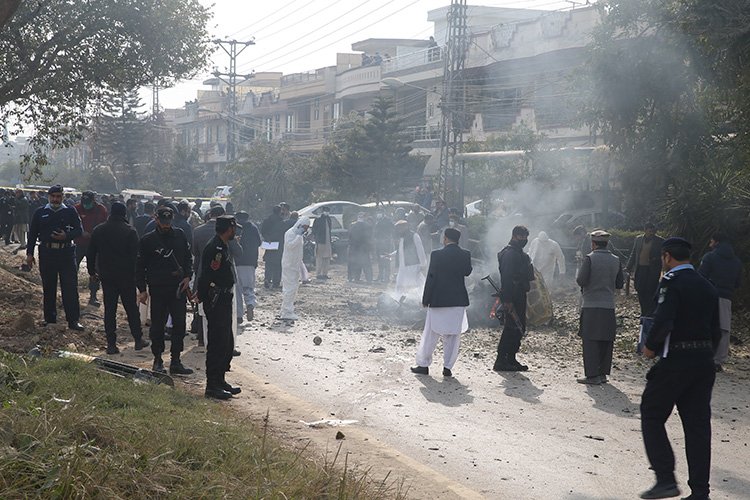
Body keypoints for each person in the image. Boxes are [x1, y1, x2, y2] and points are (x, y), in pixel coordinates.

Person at [639, 237, 721, 500]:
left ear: (666, 257)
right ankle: (700, 492)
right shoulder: (707, 285)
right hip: (703, 361)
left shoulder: (671, 282)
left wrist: (650, 347)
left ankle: (665, 479)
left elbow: (664, 319)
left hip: (676, 360)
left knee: (651, 412)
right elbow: (716, 330)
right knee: (697, 428)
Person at [135, 206, 194, 375]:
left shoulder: (180, 235)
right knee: (157, 327)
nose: (166, 225)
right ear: (156, 219)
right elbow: (140, 267)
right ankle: (157, 359)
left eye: (168, 221)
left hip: (178, 288)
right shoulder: (148, 240)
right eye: (163, 221)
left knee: (180, 325)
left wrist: (188, 276)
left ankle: (175, 360)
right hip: (158, 287)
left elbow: (188, 259)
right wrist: (142, 289)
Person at [87, 202, 149, 354]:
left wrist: (92, 272)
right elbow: (137, 258)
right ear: (124, 214)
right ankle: (138, 339)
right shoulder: (130, 231)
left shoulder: (99, 230)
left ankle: (111, 344)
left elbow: (90, 253)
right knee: (131, 309)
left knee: (110, 310)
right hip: (126, 276)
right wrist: (139, 281)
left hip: (107, 275)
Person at [411, 228, 472, 377]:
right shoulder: (465, 254)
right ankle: (447, 367)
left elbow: (431, 277)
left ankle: (423, 365)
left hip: (439, 299)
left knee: (431, 333)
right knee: (452, 335)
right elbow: (467, 271)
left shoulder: (437, 254)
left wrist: (426, 298)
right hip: (457, 300)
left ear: (445, 238)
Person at [25, 185, 85, 330]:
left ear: (62, 197)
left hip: (66, 254)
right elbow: (32, 234)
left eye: (58, 197)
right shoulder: (40, 212)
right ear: (48, 196)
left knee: (70, 288)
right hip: (47, 253)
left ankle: (73, 320)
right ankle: (50, 319)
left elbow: (79, 230)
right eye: (53, 196)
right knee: (49, 287)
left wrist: (66, 236)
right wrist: (29, 254)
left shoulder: (70, 211)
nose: (55, 199)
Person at [197, 215, 242, 400]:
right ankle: (212, 385)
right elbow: (207, 275)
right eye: (234, 228)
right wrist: (201, 297)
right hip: (216, 300)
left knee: (226, 342)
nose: (236, 232)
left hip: (224, 298)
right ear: (228, 229)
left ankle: (220, 379)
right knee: (217, 343)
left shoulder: (223, 245)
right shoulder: (215, 247)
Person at [575, 230, 624, 384]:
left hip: (591, 305)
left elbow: (581, 280)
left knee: (590, 340)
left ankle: (592, 375)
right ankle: (603, 374)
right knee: (606, 340)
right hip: (609, 306)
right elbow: (619, 284)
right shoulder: (616, 260)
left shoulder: (590, 259)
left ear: (593, 243)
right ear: (606, 243)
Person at [698, 233, 742, 372]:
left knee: (704, 325)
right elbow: (738, 283)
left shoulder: (709, 257)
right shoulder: (736, 261)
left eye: (711, 241)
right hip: (726, 297)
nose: (710, 244)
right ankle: (717, 361)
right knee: (723, 329)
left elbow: (701, 277)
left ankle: (702, 357)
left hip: (708, 295)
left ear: (716, 242)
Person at [493, 225, 534, 372]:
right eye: (522, 237)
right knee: (511, 327)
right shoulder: (510, 254)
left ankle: (511, 358)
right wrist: (507, 300)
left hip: (519, 294)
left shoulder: (519, 253)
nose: (524, 240)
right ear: (515, 236)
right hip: (512, 295)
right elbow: (507, 277)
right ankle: (501, 360)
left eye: (525, 237)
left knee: (518, 327)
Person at [74, 191, 108, 307]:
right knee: (73, 268)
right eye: (84, 202)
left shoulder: (101, 210)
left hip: (94, 245)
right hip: (78, 244)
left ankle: (93, 296)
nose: (85, 205)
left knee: (95, 270)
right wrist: (80, 233)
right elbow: (71, 224)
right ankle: (72, 294)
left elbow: (104, 227)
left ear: (94, 201)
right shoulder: (77, 208)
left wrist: (93, 235)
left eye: (88, 202)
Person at [626, 223, 665, 317]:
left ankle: (650, 312)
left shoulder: (660, 241)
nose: (651, 232)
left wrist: (657, 260)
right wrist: (629, 266)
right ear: (645, 230)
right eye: (650, 230)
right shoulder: (638, 239)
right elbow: (634, 253)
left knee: (650, 290)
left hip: (652, 269)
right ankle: (644, 310)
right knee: (640, 289)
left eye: (653, 230)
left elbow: (663, 255)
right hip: (640, 268)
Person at [279, 216, 310, 321]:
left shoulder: (299, 235)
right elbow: (289, 246)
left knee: (293, 288)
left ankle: (286, 309)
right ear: (300, 225)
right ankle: (286, 312)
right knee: (289, 289)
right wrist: (298, 237)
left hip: (295, 265)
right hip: (289, 265)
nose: (305, 230)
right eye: (304, 227)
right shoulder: (290, 233)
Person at [234, 211, 261, 321]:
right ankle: (250, 304)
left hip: (237, 262)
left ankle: (239, 315)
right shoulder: (253, 228)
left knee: (237, 290)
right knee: (249, 287)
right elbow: (259, 243)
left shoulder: (235, 228)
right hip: (250, 262)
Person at [393, 220, 427, 294]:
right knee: (400, 283)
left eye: (401, 227)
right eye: (398, 228)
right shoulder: (401, 237)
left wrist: (423, 264)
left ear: (406, 226)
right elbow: (400, 250)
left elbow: (420, 250)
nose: (399, 230)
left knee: (415, 284)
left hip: (413, 265)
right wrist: (391, 254)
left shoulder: (414, 235)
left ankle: (419, 298)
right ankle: (399, 298)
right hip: (403, 266)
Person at [261, 205, 285, 288]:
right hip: (279, 245)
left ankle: (267, 279)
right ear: (279, 211)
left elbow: (263, 231)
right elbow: (282, 233)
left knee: (268, 263)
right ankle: (276, 282)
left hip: (269, 244)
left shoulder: (267, 220)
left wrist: (268, 238)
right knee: (278, 264)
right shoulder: (281, 221)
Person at [348, 212, 373, 282]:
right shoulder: (368, 226)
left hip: (355, 248)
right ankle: (369, 279)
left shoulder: (352, 226)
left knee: (356, 264)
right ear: (364, 218)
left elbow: (350, 237)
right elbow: (370, 238)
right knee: (366, 265)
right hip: (364, 249)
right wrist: (370, 248)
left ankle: (356, 278)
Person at [311, 206, 333, 279]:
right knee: (319, 258)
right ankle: (318, 274)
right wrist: (316, 238)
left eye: (328, 211)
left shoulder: (329, 219)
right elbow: (314, 230)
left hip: (328, 241)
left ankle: (325, 274)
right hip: (320, 241)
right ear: (323, 211)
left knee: (327, 258)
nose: (327, 212)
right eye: (326, 211)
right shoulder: (318, 219)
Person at [374, 210, 394, 282]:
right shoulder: (380, 221)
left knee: (385, 261)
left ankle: (385, 277)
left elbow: (376, 233)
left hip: (384, 244)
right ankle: (383, 277)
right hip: (382, 244)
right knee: (383, 261)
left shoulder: (385, 221)